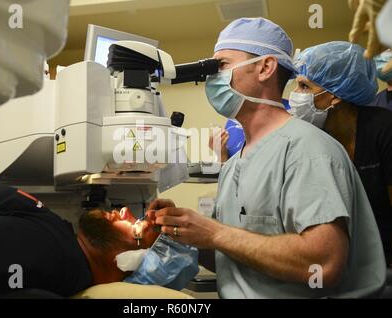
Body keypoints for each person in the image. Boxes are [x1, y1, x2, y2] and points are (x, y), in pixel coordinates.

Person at [148, 18, 386, 298]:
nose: (212, 78)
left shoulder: (306, 149)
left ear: (265, 67)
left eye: (221, 65)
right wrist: (182, 230)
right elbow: (233, 257)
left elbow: (324, 265)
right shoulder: (235, 161)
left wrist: (215, 233)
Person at [0, 178, 162, 297]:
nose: (124, 211)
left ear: (131, 263)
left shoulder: (51, 252)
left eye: (137, 226)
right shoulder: (57, 245)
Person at [289, 41, 392, 267]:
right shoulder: (311, 137)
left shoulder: (383, 129)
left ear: (335, 96)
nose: (295, 95)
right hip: (337, 261)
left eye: (305, 87)